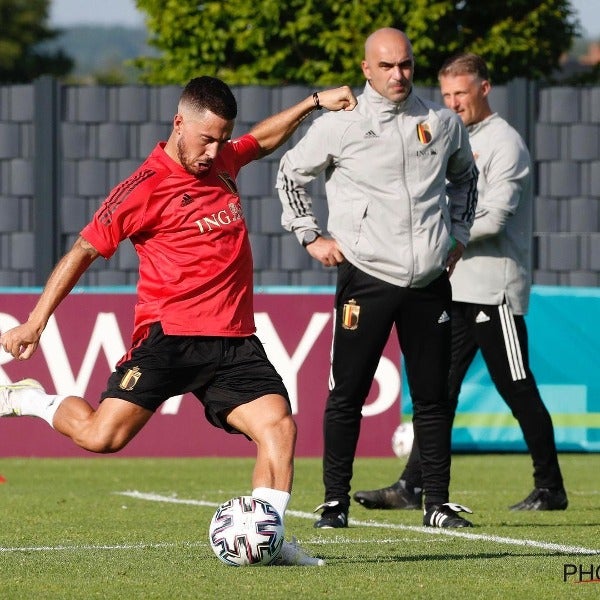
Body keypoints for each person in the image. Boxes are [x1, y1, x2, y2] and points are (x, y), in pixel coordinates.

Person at [0, 76, 357, 566]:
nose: (214, 150)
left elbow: (263, 140)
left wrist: (314, 103)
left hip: (234, 342)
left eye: (221, 138)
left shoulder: (224, 159)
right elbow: (83, 251)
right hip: (169, 339)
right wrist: (36, 321)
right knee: (102, 438)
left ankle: (267, 538)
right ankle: (30, 399)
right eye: (205, 138)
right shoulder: (141, 188)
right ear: (178, 123)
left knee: (279, 427)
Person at [276, 28, 479, 529]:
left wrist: (457, 237)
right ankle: (334, 502)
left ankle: (436, 504)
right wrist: (310, 235)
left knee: (433, 397)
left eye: (405, 65)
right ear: (366, 69)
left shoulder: (441, 122)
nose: (397, 74)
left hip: (429, 280)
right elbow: (288, 173)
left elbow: (467, 179)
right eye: (386, 66)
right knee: (347, 394)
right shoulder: (339, 124)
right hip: (365, 277)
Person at [354, 53, 568, 513]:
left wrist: (444, 239)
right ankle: (412, 486)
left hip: (495, 289)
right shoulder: (450, 135)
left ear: (484, 89)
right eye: (446, 94)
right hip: (458, 287)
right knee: (437, 392)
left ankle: (550, 487)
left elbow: (494, 216)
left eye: (461, 94)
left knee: (516, 385)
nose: (452, 103)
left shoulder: (505, 143)